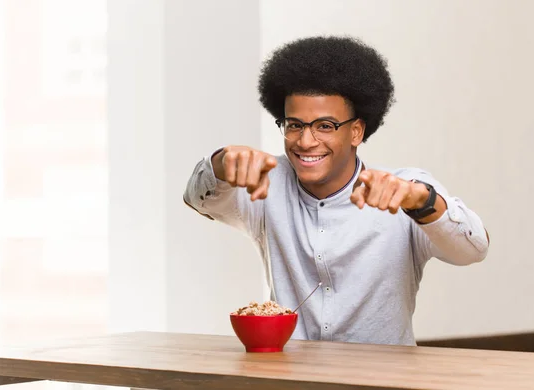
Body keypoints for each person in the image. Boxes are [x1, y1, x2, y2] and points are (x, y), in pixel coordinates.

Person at [182, 36, 490, 346]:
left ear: (356, 131)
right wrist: (221, 164)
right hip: (293, 379)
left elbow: (473, 249)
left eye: (325, 125)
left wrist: (421, 202)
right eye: (294, 125)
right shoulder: (267, 184)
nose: (305, 141)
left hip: (384, 378)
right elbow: (198, 198)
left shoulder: (404, 191)